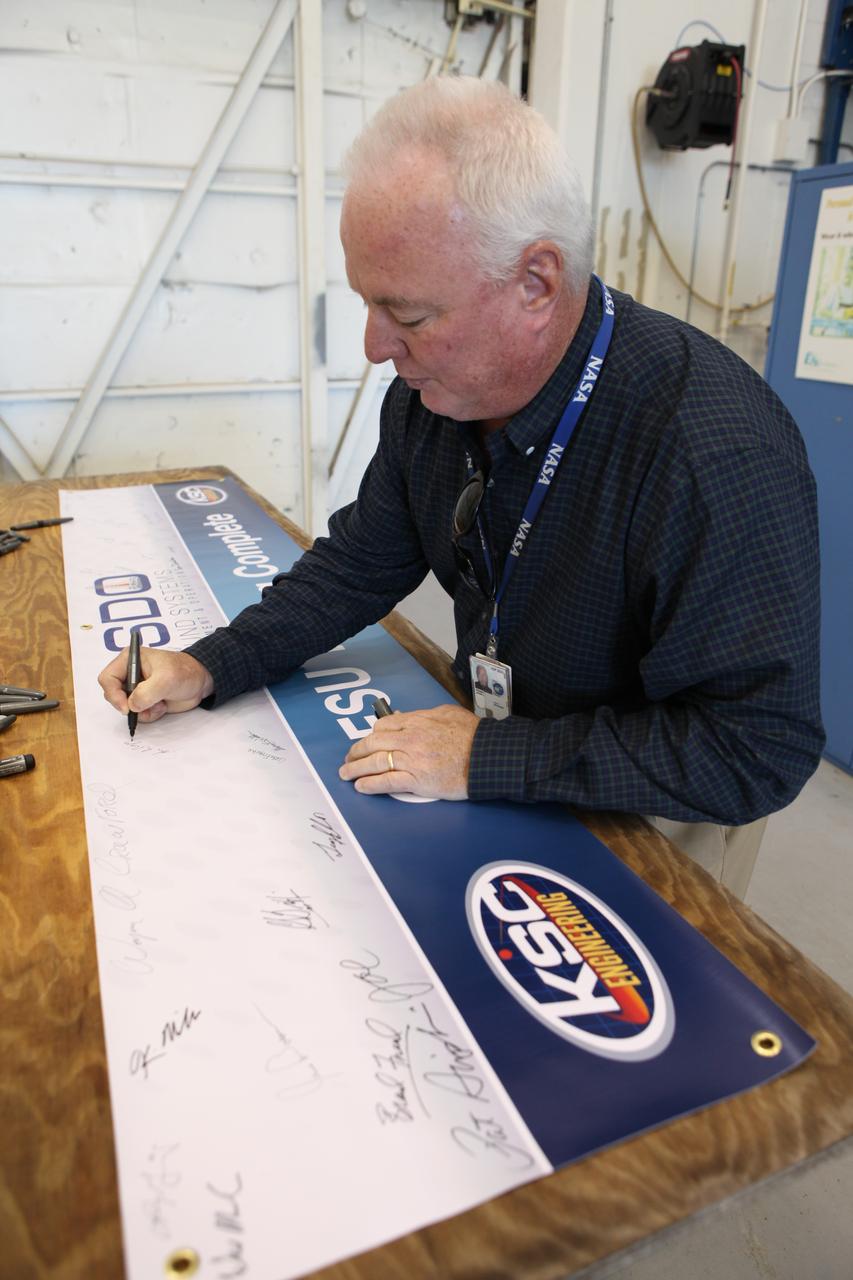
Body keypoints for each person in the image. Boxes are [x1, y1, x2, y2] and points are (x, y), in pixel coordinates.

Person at [99, 76, 824, 899]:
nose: (376, 348)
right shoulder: (436, 398)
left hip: (649, 805)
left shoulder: (712, 452)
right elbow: (357, 565)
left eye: (408, 317)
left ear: (535, 285)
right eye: (369, 304)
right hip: (488, 748)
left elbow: (753, 749)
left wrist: (489, 756)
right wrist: (211, 662)